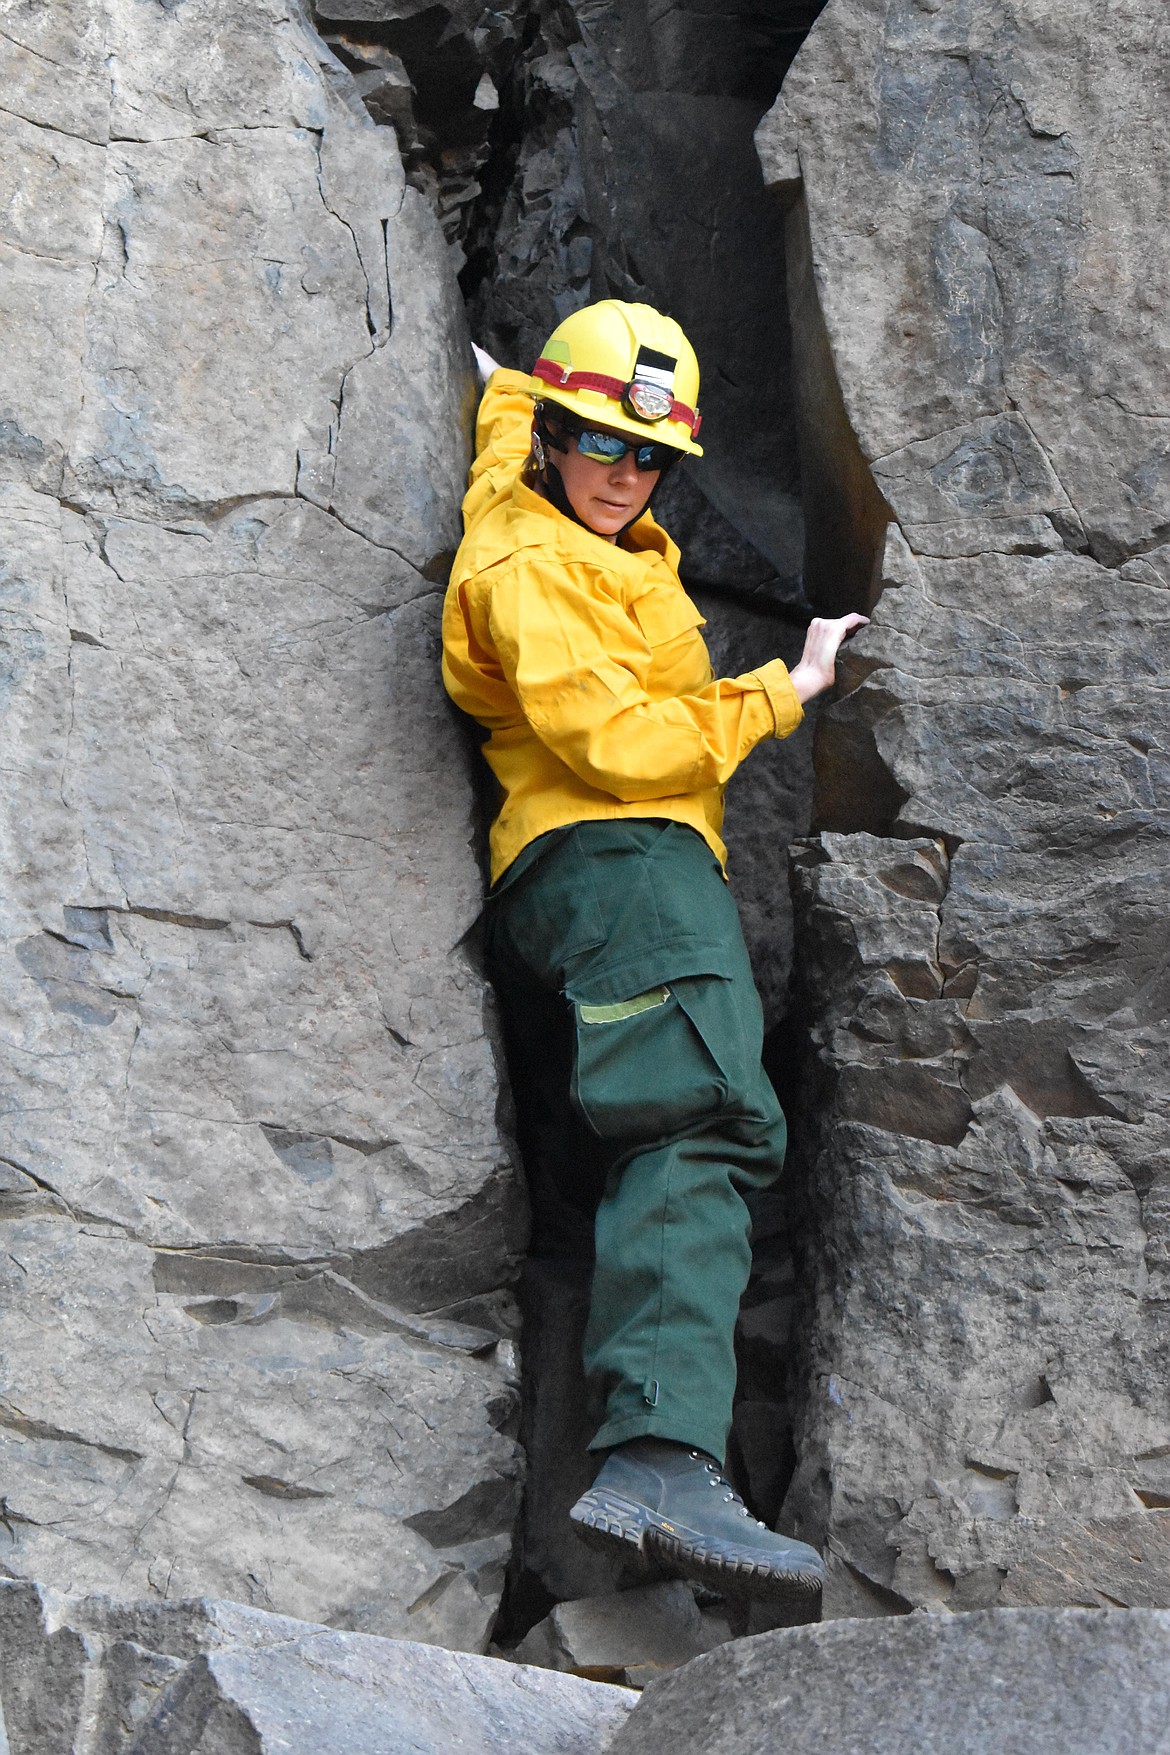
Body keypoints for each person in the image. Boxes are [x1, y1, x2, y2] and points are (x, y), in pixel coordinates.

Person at [442, 300, 865, 1605]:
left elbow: (507, 421)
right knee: (702, 1127)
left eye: (650, 460)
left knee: (630, 1164)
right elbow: (618, 747)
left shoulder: (544, 495)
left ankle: (607, 1517)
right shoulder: (526, 566)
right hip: (620, 859)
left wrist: (504, 383)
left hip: (616, 877)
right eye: (599, 447)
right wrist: (778, 693)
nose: (626, 477)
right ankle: (664, 1458)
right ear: (557, 441)